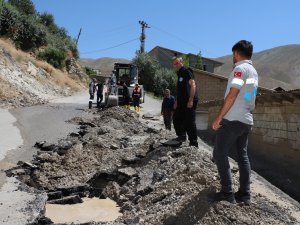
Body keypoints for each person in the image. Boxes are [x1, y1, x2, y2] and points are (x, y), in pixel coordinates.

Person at [212, 40, 258, 204]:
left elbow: (233, 94)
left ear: (237, 53)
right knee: (242, 156)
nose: (233, 57)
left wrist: (219, 117)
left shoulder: (240, 69)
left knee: (219, 153)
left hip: (233, 119)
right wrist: (244, 107)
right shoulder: (253, 72)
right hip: (246, 119)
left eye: (233, 54)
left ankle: (227, 193)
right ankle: (245, 195)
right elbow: (248, 95)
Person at [172, 57, 198, 147]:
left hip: (189, 100)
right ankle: (182, 136)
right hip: (181, 101)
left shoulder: (187, 71)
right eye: (174, 64)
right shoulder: (179, 73)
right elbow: (179, 90)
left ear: (181, 62)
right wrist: (176, 101)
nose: (176, 65)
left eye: (177, 63)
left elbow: (193, 86)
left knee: (189, 122)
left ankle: (194, 143)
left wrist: (190, 100)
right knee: (176, 118)